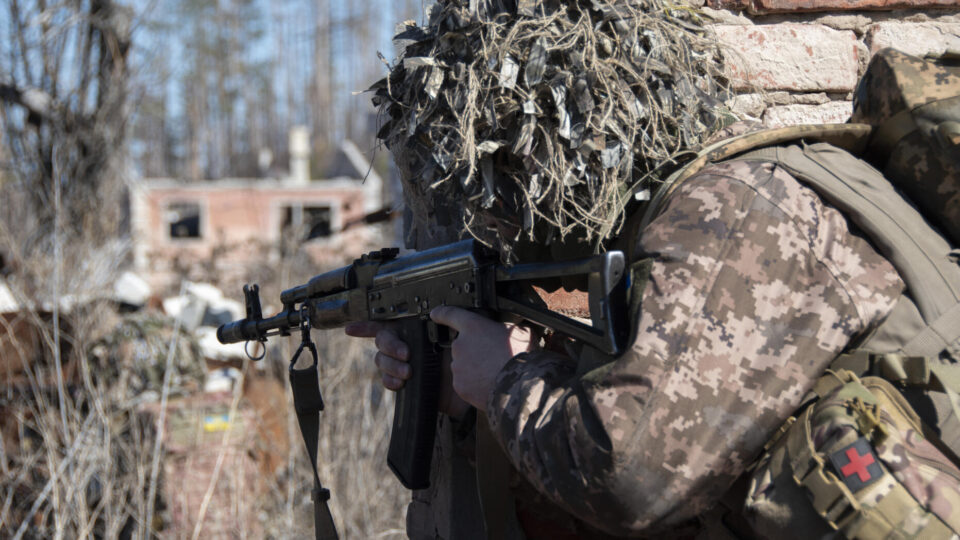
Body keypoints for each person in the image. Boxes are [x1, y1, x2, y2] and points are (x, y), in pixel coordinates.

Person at [347, 2, 958, 538]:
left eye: (495, 175)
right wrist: (469, 387)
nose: (492, 219)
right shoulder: (699, 216)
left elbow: (631, 479)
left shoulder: (730, 211)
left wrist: (508, 378)